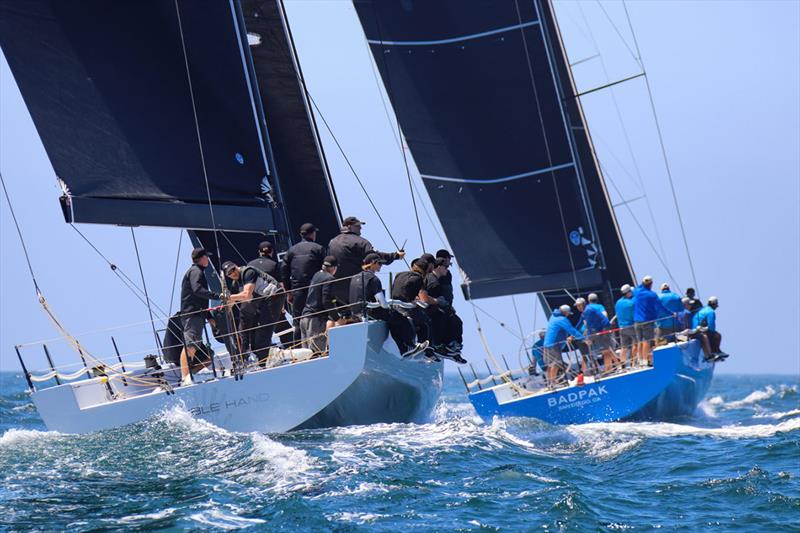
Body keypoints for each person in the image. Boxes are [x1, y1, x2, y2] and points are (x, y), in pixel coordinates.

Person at [349, 252, 426, 356]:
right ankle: (408, 346)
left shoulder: (355, 277)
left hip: (355, 312)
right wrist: (389, 305)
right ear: (373, 263)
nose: (381, 266)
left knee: (393, 320)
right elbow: (382, 303)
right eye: (380, 264)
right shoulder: (374, 279)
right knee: (401, 318)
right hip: (371, 312)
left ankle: (405, 349)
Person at [328, 216, 405, 309]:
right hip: (358, 289)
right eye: (357, 226)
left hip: (338, 292)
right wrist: (395, 255)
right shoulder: (361, 242)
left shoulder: (332, 242)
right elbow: (374, 257)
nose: (360, 228)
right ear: (348, 227)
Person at [222, 260, 279, 364]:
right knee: (253, 330)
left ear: (236, 266)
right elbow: (231, 301)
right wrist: (225, 309)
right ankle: (259, 358)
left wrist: (227, 297)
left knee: (264, 329)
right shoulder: (236, 283)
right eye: (229, 273)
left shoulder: (248, 272)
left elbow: (247, 295)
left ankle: (264, 361)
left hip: (274, 296)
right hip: (263, 300)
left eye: (233, 269)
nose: (233, 273)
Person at [178, 248, 220, 386]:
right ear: (202, 258)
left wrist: (208, 316)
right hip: (192, 314)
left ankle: (191, 375)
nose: (208, 259)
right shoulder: (196, 271)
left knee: (208, 356)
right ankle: (185, 378)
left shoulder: (196, 271)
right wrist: (217, 296)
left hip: (198, 314)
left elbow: (199, 298)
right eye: (206, 257)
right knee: (190, 344)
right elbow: (197, 290)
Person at [281, 223, 326, 333]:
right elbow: (325, 270)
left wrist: (289, 292)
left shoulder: (291, 250)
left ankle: (297, 347)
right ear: (312, 234)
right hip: (315, 289)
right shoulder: (318, 248)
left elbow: (284, 272)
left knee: (298, 321)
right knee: (320, 317)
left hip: (298, 291)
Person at [248, 241, 286, 361]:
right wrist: (282, 306)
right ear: (272, 252)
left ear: (258, 252)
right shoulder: (274, 265)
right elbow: (280, 286)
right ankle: (291, 348)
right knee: (284, 329)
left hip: (254, 305)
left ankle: (260, 356)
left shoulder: (250, 265)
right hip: (271, 304)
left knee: (258, 332)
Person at [391, 257, 435, 357]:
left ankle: (407, 348)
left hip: (394, 308)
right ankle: (426, 350)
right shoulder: (419, 278)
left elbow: (399, 290)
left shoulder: (399, 274)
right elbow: (411, 296)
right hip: (405, 309)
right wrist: (413, 301)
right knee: (425, 323)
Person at [425, 257, 465, 362]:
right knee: (441, 318)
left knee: (457, 321)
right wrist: (439, 303)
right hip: (430, 311)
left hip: (441, 309)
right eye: (446, 267)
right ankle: (438, 346)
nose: (447, 269)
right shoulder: (433, 281)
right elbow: (426, 298)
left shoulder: (440, 280)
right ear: (438, 267)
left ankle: (452, 346)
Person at [300, 256, 342, 354]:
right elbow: (326, 301)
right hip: (314, 320)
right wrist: (336, 317)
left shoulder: (317, 274)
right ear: (333, 268)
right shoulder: (329, 278)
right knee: (318, 353)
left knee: (307, 355)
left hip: (304, 317)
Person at [633, 275, 672, 365]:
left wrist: (642, 283)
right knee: (647, 340)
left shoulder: (637, 292)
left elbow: (637, 287)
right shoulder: (652, 295)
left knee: (640, 341)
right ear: (651, 284)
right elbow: (661, 307)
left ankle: (640, 360)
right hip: (647, 321)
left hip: (637, 321)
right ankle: (645, 360)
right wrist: (671, 313)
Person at [543, 305, 584, 385]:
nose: (568, 315)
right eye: (568, 313)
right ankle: (553, 383)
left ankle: (549, 383)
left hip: (547, 344)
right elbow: (571, 330)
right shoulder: (562, 319)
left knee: (550, 365)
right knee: (557, 363)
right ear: (565, 312)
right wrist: (583, 338)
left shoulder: (553, 316)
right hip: (554, 344)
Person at [576, 294, 619, 372]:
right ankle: (612, 367)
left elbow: (590, 326)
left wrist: (589, 339)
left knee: (605, 351)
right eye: (577, 306)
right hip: (599, 330)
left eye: (580, 305)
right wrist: (572, 335)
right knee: (605, 351)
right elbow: (579, 324)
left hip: (604, 329)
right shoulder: (584, 312)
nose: (578, 308)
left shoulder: (588, 311)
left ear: (584, 304)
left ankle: (608, 370)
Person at [614, 284, 637, 365]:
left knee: (624, 347)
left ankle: (622, 364)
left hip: (622, 328)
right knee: (636, 344)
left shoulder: (618, 303)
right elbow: (635, 316)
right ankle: (633, 362)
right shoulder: (631, 303)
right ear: (628, 293)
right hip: (631, 326)